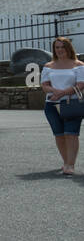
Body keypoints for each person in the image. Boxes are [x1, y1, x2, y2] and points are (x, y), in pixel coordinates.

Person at [41, 36, 84, 175]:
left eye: (62, 47)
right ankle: (65, 162)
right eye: (57, 47)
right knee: (59, 135)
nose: (60, 50)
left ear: (68, 48)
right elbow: (45, 85)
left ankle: (71, 165)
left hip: (72, 104)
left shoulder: (79, 65)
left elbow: (81, 85)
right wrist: (55, 91)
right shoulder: (48, 66)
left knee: (71, 134)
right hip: (52, 105)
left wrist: (62, 93)